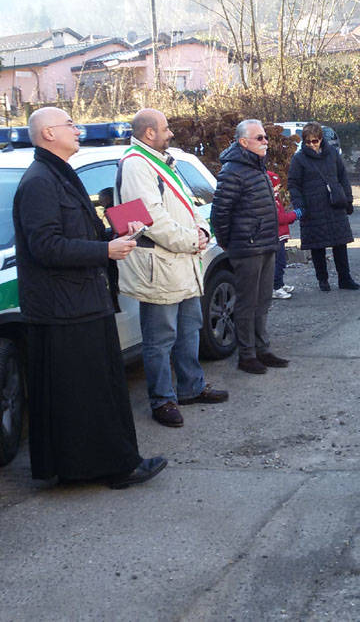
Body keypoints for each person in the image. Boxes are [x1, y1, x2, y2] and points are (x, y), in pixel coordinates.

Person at [12, 106, 166, 487]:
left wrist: (111, 238)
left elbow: (76, 233)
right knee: (85, 394)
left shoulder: (59, 174)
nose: (77, 130)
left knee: (95, 391)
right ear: (48, 133)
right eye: (69, 125)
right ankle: (113, 468)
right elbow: (45, 246)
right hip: (65, 308)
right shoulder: (38, 182)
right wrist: (104, 253)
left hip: (81, 301)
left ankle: (100, 465)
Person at [118, 108, 227, 429]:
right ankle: (162, 400)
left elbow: (188, 204)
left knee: (190, 328)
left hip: (182, 263)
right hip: (162, 265)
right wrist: (190, 241)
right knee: (160, 338)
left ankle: (191, 387)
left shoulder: (163, 161)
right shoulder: (136, 164)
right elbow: (148, 217)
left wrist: (202, 231)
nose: (171, 132)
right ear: (149, 133)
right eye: (165, 128)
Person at [211, 119, 289, 375]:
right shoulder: (232, 171)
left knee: (263, 300)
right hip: (247, 248)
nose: (265, 141)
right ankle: (247, 355)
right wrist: (231, 244)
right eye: (260, 138)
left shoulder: (257, 167)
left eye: (265, 137)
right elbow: (220, 214)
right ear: (244, 142)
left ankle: (262, 349)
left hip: (266, 244)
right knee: (246, 302)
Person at [286, 121, 360, 291]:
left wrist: (348, 200)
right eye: (308, 142)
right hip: (312, 207)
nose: (312, 145)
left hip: (335, 204)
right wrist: (300, 205)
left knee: (340, 244)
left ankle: (345, 279)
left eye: (315, 141)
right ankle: (323, 280)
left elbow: (343, 178)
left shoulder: (333, 154)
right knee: (317, 246)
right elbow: (293, 184)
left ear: (321, 139)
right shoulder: (299, 159)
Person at [267, 170, 298, 299]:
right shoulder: (271, 200)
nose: (279, 187)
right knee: (278, 263)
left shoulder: (275, 199)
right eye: (276, 185)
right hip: (276, 236)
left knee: (281, 261)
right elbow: (280, 218)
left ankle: (280, 283)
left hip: (281, 235)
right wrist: (295, 215)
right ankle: (275, 287)